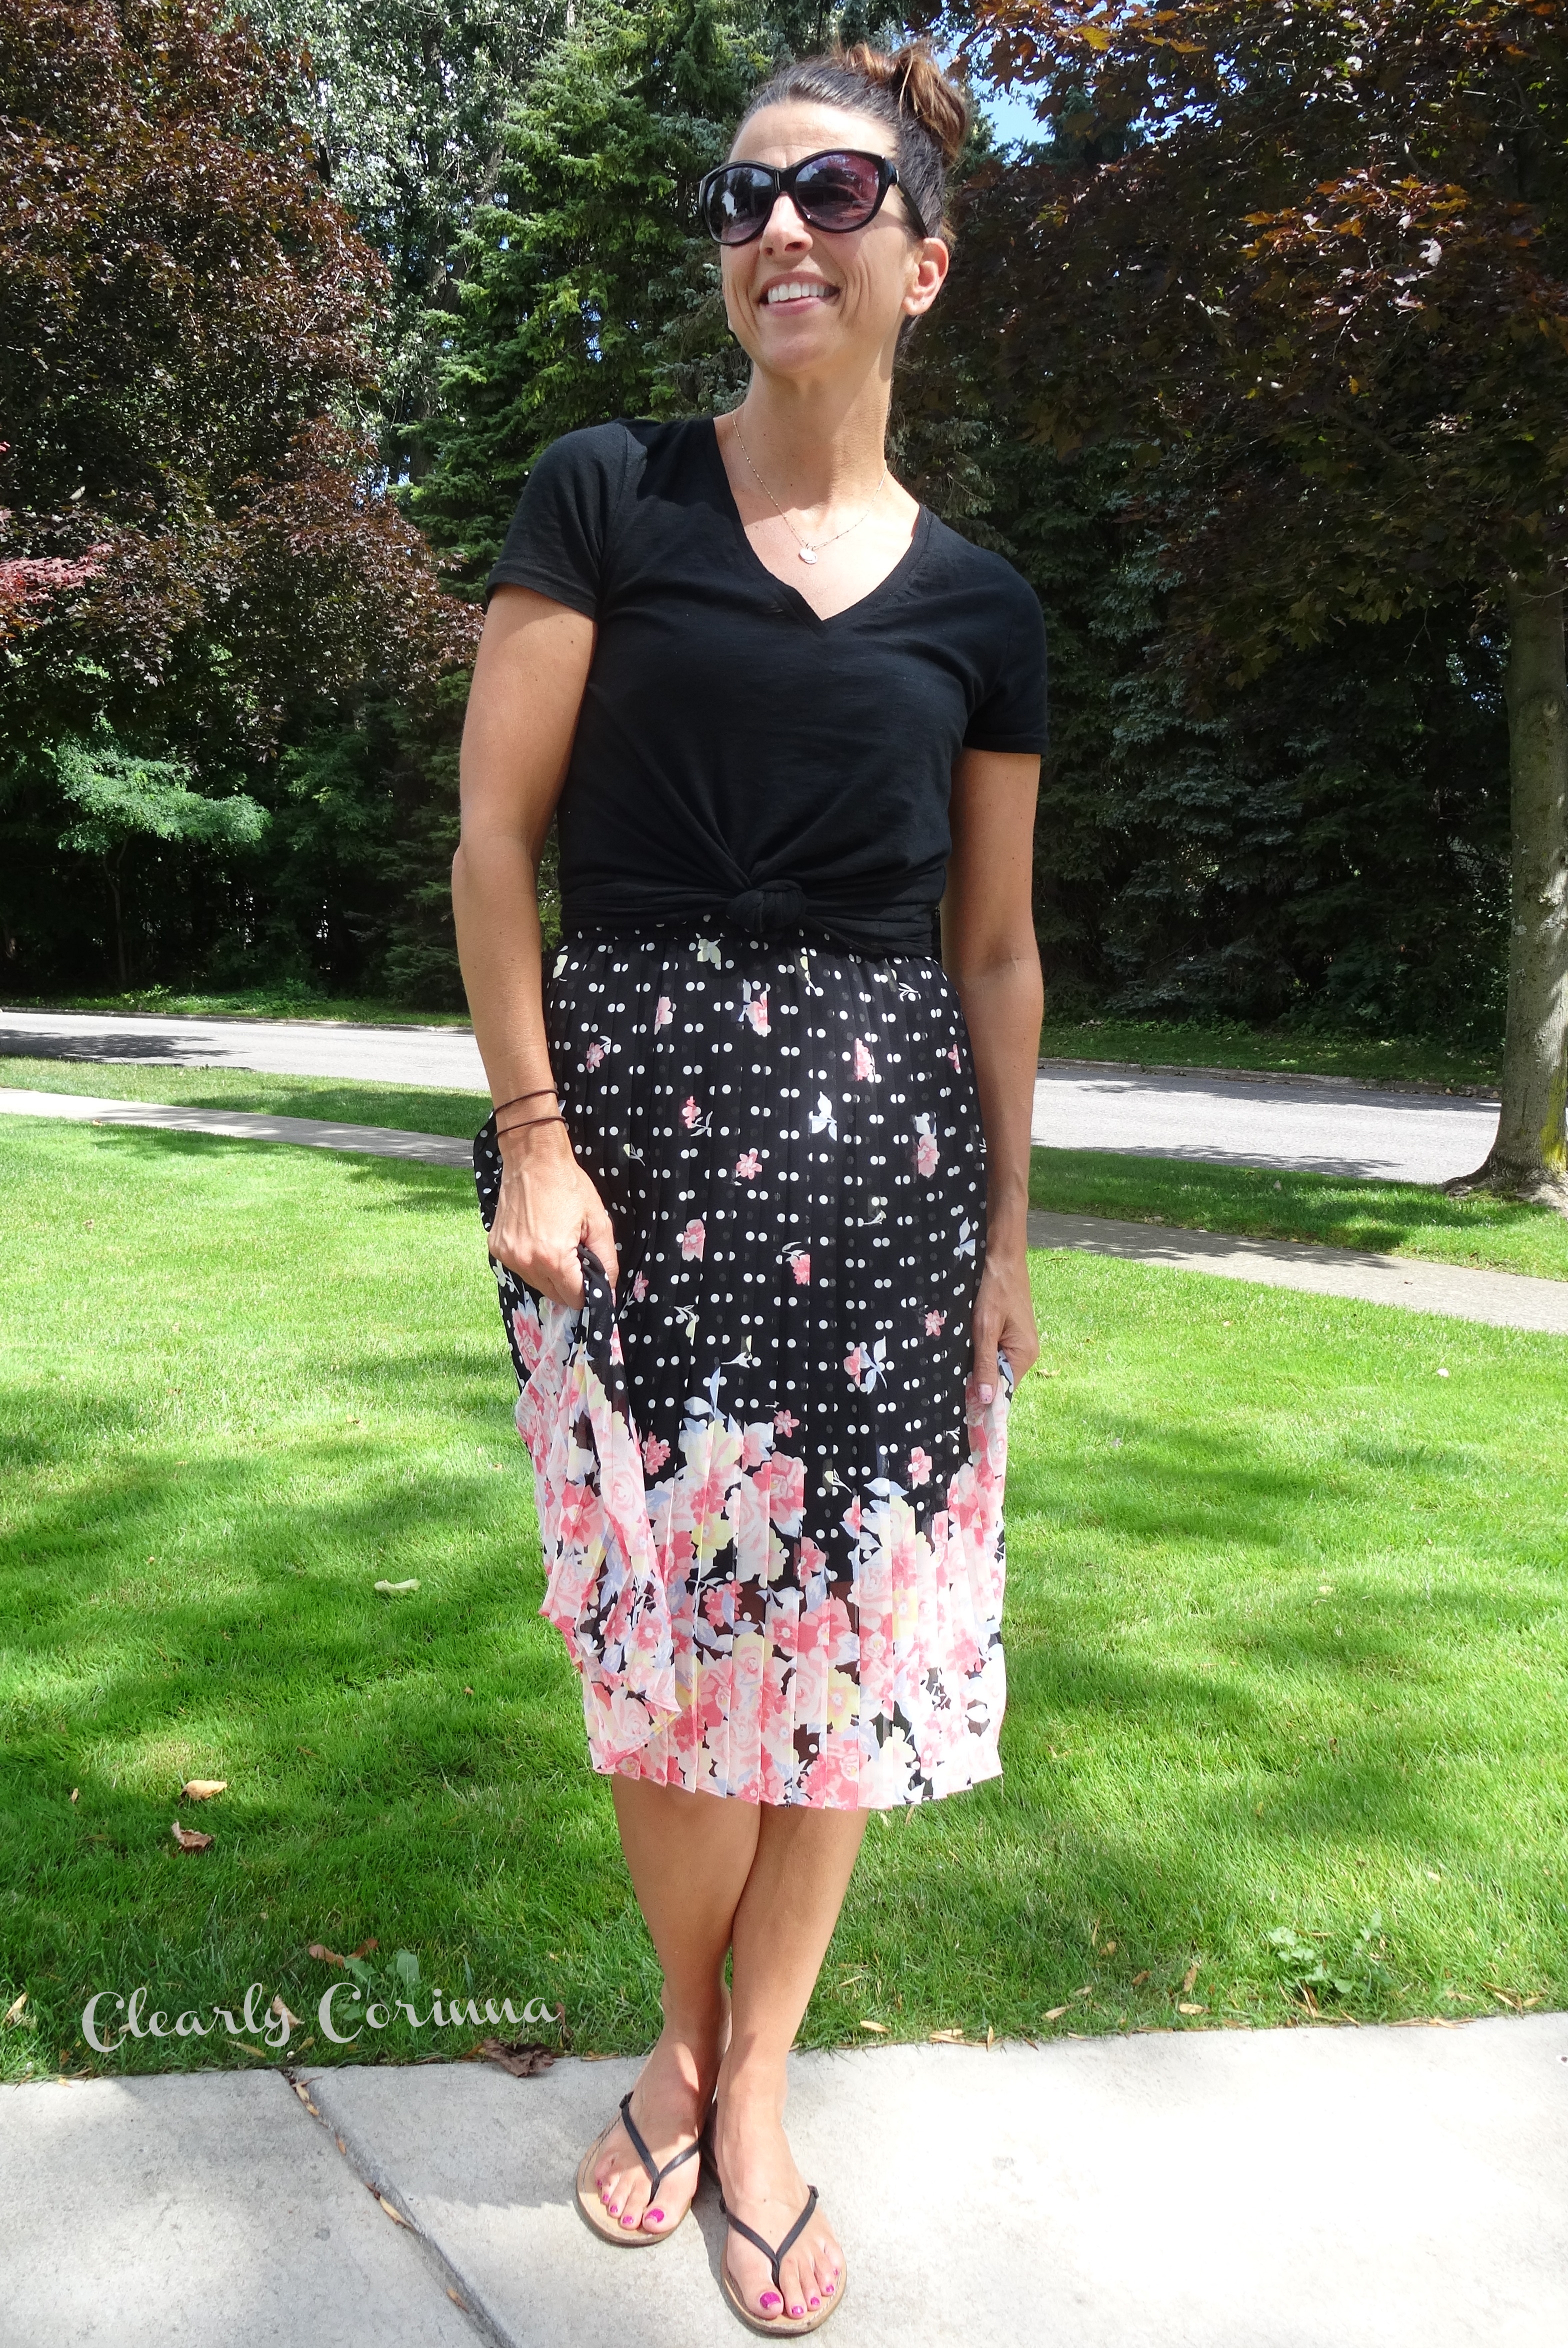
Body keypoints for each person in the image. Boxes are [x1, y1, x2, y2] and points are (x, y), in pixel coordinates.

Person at [452, 38, 1045, 2336]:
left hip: (892, 1177)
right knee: (663, 1648)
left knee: (845, 1646)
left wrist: (1006, 1234)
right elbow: (495, 842)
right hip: (623, 1161)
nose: (778, 227)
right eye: (741, 196)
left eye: (832, 192)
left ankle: (744, 2077)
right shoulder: (604, 494)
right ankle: (686, 2041)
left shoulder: (983, 607)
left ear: (923, 259)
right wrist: (530, 1131)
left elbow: (991, 950)